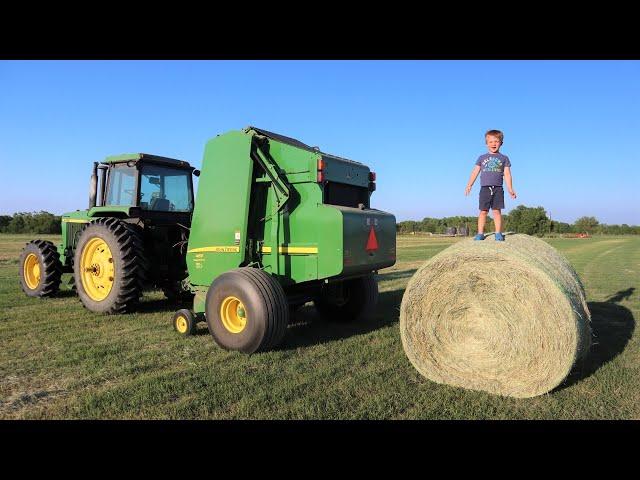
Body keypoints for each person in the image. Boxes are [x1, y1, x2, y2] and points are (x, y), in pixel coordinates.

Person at [464, 129, 516, 241]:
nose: (494, 144)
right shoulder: (481, 158)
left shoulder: (504, 158)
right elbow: (475, 172)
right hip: (485, 188)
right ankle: (480, 233)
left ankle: (498, 233)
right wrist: (469, 184)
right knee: (483, 211)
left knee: (497, 211)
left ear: (501, 143)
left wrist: (510, 189)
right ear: (486, 143)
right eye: (491, 141)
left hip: (498, 188)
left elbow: (507, 174)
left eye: (496, 141)